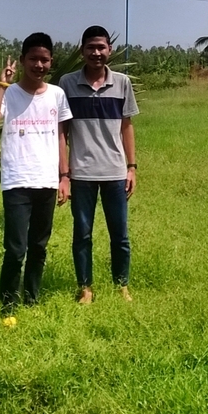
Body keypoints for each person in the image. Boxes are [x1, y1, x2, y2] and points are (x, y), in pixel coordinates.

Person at [0, 32, 72, 324]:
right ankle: (7, 304)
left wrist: (64, 176)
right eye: (33, 58)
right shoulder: (9, 92)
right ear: (22, 61)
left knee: (39, 245)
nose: (39, 64)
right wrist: (1, 84)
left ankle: (32, 298)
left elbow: (60, 136)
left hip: (46, 180)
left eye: (44, 59)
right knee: (16, 247)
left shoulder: (57, 94)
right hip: (17, 180)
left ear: (51, 62)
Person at [59, 26, 138, 304]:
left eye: (101, 47)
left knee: (120, 235)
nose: (96, 53)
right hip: (81, 174)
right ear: (82, 50)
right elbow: (62, 132)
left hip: (115, 173)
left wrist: (131, 167)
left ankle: (122, 286)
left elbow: (127, 126)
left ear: (110, 50)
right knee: (82, 234)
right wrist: (64, 174)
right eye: (91, 47)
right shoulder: (66, 83)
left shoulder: (122, 83)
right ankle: (85, 288)